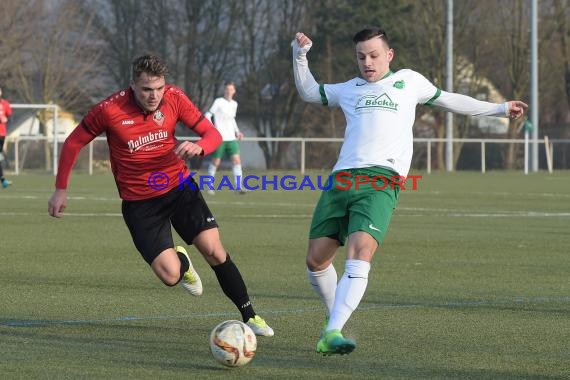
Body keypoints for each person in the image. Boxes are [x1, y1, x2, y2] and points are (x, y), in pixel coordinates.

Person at [292, 28, 527, 355]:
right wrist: (300, 55)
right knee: (316, 261)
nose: (367, 62)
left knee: (360, 254)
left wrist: (499, 109)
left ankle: (332, 332)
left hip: (381, 180)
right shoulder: (349, 89)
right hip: (341, 180)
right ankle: (334, 319)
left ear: (389, 55)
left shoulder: (409, 81)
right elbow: (308, 92)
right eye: (361, 57)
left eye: (374, 55)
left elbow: (450, 100)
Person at [48, 54, 274, 336]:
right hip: (140, 203)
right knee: (170, 276)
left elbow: (211, 134)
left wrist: (200, 147)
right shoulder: (109, 109)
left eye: (159, 89)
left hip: (179, 187)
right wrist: (61, 189)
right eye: (146, 90)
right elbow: (73, 143)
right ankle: (181, 261)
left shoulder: (175, 98)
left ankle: (250, 315)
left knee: (214, 249)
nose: (154, 96)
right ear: (132, 85)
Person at [204, 81, 246, 195]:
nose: (229, 91)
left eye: (231, 89)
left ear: (234, 91)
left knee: (237, 161)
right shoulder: (218, 101)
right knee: (216, 162)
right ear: (224, 90)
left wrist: (238, 132)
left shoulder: (234, 104)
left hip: (231, 138)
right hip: (220, 138)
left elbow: (232, 119)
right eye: (227, 89)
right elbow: (207, 115)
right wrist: (212, 129)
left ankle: (238, 187)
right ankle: (209, 186)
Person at [0, 86, 13, 188]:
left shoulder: (5, 104)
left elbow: (10, 118)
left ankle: (3, 180)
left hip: (1, 134)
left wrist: (5, 120)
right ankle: (3, 180)